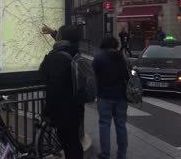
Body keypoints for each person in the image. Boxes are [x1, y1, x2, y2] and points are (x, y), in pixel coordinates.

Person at [39, 25, 84, 159]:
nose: (56, 35)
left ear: (61, 38)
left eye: (58, 34)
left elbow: (47, 80)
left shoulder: (56, 56)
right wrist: (53, 32)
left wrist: (47, 112)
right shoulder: (74, 51)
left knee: (69, 144)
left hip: (63, 111)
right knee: (74, 143)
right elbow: (65, 42)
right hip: (76, 108)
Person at [92, 36, 129, 159]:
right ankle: (122, 154)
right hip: (121, 95)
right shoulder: (121, 57)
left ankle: (105, 153)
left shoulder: (98, 58)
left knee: (104, 124)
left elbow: (94, 76)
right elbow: (126, 76)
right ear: (115, 45)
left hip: (104, 95)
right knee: (121, 125)